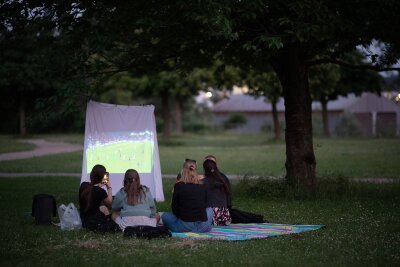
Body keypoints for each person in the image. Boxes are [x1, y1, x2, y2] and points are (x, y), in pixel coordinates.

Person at [161, 159, 212, 232]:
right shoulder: (203, 186)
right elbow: (205, 205)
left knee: (165, 216)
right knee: (209, 209)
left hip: (185, 226)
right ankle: (198, 228)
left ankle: (184, 227)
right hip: (202, 226)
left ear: (183, 171)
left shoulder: (178, 186)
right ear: (195, 171)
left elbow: (175, 208)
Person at [79, 164, 118, 232]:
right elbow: (110, 205)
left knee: (103, 207)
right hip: (94, 223)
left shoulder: (83, 185)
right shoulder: (100, 191)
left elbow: (92, 190)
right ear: (102, 178)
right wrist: (109, 188)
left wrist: (98, 185)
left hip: (84, 220)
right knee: (114, 215)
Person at [202, 159, 232, 226]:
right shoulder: (223, 181)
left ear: (204, 169)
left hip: (212, 218)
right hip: (225, 218)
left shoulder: (203, 182)